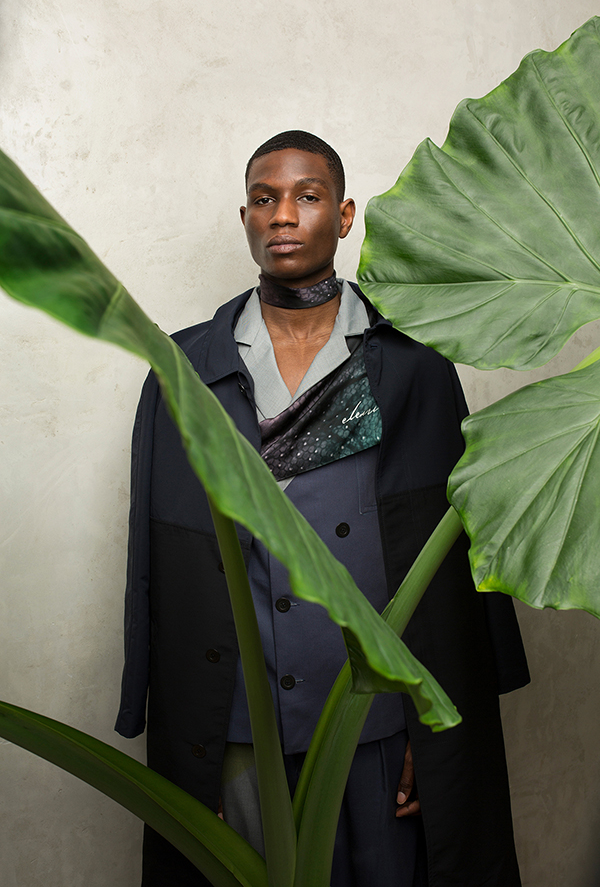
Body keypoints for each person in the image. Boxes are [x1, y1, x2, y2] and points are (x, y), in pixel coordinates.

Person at [116, 130, 530, 887]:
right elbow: (160, 560)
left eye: (306, 197)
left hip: (377, 719)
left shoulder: (413, 365)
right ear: (246, 218)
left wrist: (435, 734)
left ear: (342, 218)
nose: (283, 215)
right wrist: (186, 746)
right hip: (238, 723)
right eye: (264, 199)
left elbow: (461, 550)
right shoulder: (182, 370)